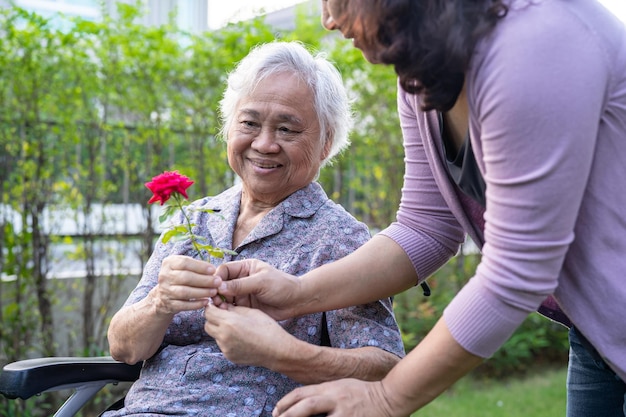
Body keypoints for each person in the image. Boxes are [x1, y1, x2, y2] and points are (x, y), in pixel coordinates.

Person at [209, 1, 626, 416]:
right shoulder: (423, 77)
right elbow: (426, 227)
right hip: (597, 333)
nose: (329, 20)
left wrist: (384, 397)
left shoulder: (535, 45)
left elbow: (518, 270)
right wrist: (296, 294)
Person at [104, 40, 405, 417]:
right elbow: (124, 347)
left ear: (326, 143)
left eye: (286, 129)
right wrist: (159, 303)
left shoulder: (342, 239)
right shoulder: (193, 220)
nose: (264, 144)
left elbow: (387, 371)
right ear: (229, 127)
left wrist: (280, 352)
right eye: (249, 123)